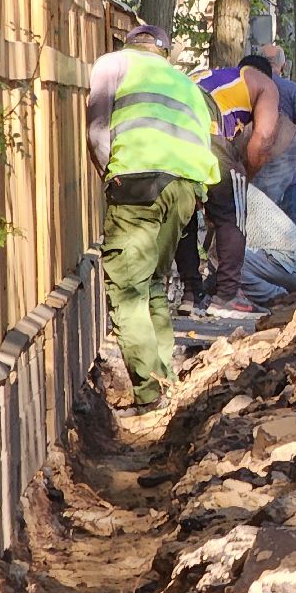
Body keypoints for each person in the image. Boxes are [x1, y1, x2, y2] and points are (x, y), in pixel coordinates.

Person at [86, 24, 220, 416]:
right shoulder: (186, 84)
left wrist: (110, 176)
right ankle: (166, 380)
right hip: (186, 187)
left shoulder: (114, 63)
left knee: (128, 290)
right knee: (155, 284)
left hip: (138, 182)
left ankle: (148, 394)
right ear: (164, 54)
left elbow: (98, 131)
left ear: (131, 44)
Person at [173, 54, 282, 319]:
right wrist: (245, 177)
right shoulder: (264, 83)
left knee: (184, 211)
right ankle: (227, 296)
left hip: (168, 128)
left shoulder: (213, 76)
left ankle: (191, 294)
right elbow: (264, 140)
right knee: (232, 215)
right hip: (205, 127)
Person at [237, 182, 296, 307]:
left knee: (230, 258)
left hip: (293, 267)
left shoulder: (230, 195)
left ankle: (279, 299)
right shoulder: (241, 185)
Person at [260, 42, 296, 226]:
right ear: (283, 65)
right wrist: (293, 136)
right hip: (288, 175)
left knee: (260, 231)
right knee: (290, 232)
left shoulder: (249, 88)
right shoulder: (292, 89)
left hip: (257, 173)